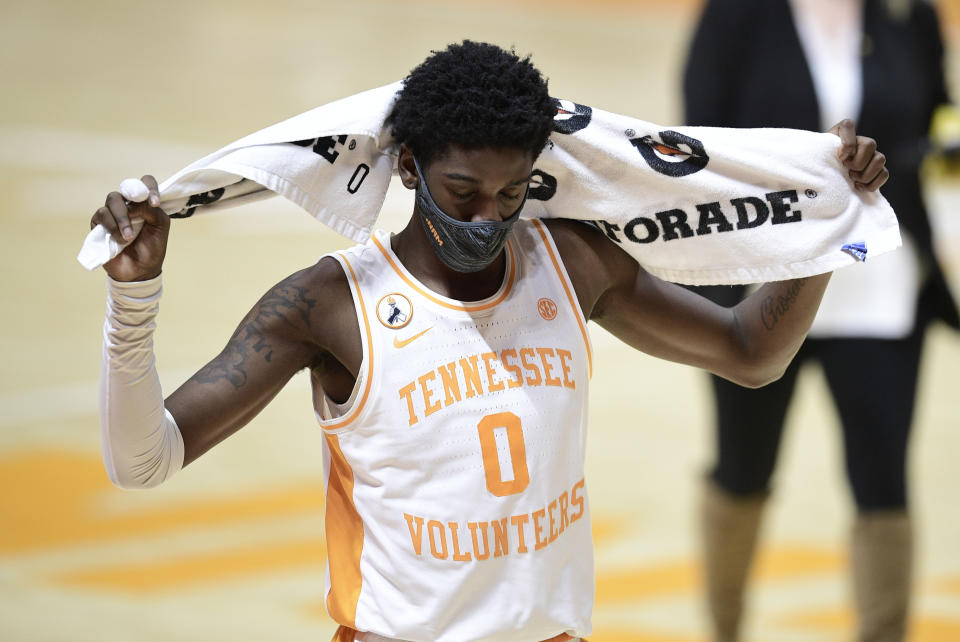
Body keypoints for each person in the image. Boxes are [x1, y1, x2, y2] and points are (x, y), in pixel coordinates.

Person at [92, 41, 888, 642]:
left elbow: (752, 354)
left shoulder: (570, 262)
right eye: (461, 192)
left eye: (509, 194)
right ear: (408, 165)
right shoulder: (326, 306)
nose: (484, 218)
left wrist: (826, 221)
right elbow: (142, 461)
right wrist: (134, 298)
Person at [682, 1, 960, 641]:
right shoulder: (736, 14)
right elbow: (694, 146)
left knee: (884, 480)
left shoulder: (906, 14)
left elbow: (933, 123)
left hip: (880, 288)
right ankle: (724, 630)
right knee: (742, 469)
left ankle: (884, 632)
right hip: (758, 285)